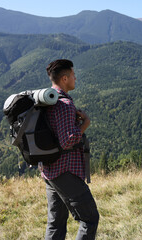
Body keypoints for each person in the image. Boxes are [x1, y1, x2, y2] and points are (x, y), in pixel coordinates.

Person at [41, 59, 99, 240]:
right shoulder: (64, 105)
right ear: (64, 78)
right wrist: (85, 124)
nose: (76, 77)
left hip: (50, 170)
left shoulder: (49, 100)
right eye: (73, 75)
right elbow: (68, 141)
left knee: (56, 223)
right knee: (90, 218)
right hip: (65, 171)